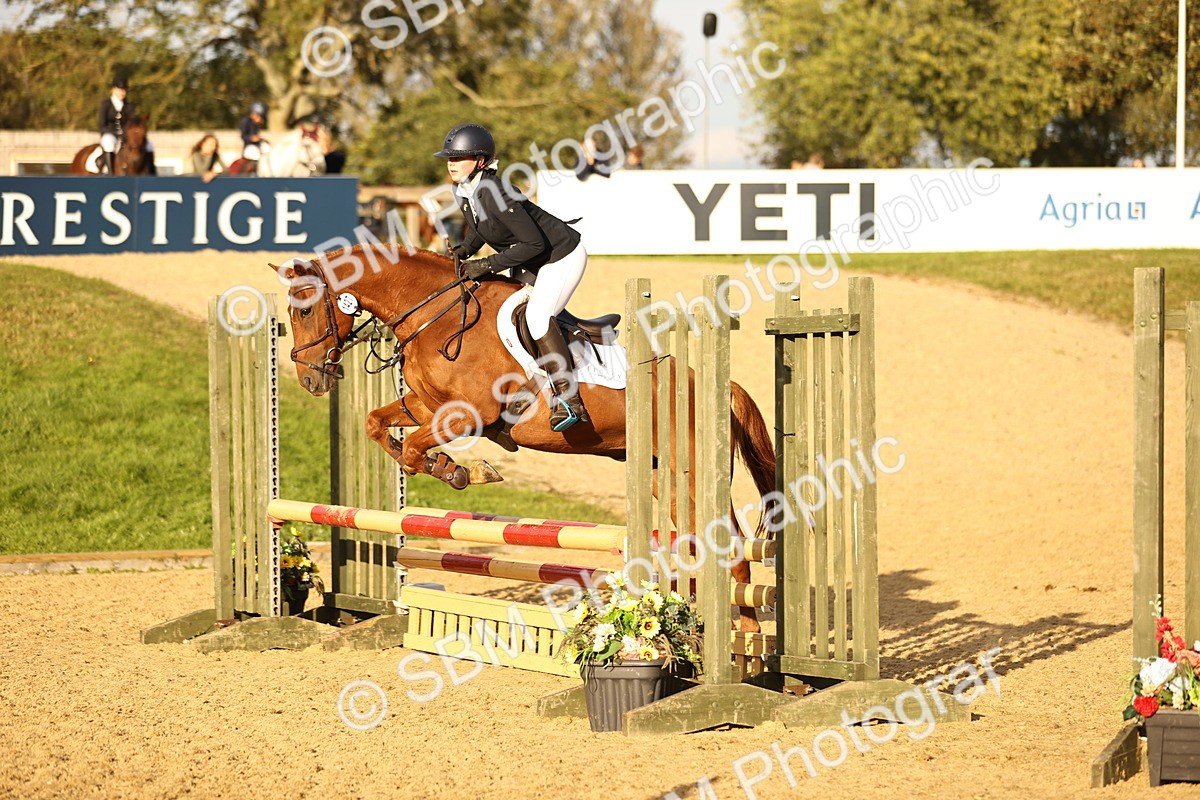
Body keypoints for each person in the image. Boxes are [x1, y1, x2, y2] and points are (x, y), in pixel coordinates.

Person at [435, 122, 590, 431]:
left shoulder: (497, 190)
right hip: (531, 259)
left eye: (459, 158)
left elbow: (535, 243)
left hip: (560, 256)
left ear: (480, 161)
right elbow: (479, 228)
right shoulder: (463, 188)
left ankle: (570, 400)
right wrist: (464, 251)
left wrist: (488, 264)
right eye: (449, 158)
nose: (451, 164)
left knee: (536, 317)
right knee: (503, 313)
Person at [97, 76, 154, 174]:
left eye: (124, 90)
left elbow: (132, 123)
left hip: (125, 135)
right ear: (113, 90)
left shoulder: (129, 106)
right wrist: (116, 133)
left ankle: (151, 172)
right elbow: (102, 124)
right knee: (108, 143)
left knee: (149, 145)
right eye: (120, 90)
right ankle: (110, 173)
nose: (122, 92)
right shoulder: (106, 105)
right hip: (110, 134)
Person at [239, 102, 270, 173]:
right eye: (261, 117)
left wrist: (261, 139)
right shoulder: (245, 121)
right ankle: (255, 173)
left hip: (257, 144)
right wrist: (251, 138)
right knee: (255, 153)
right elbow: (243, 136)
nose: (261, 120)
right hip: (248, 146)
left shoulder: (256, 124)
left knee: (267, 148)